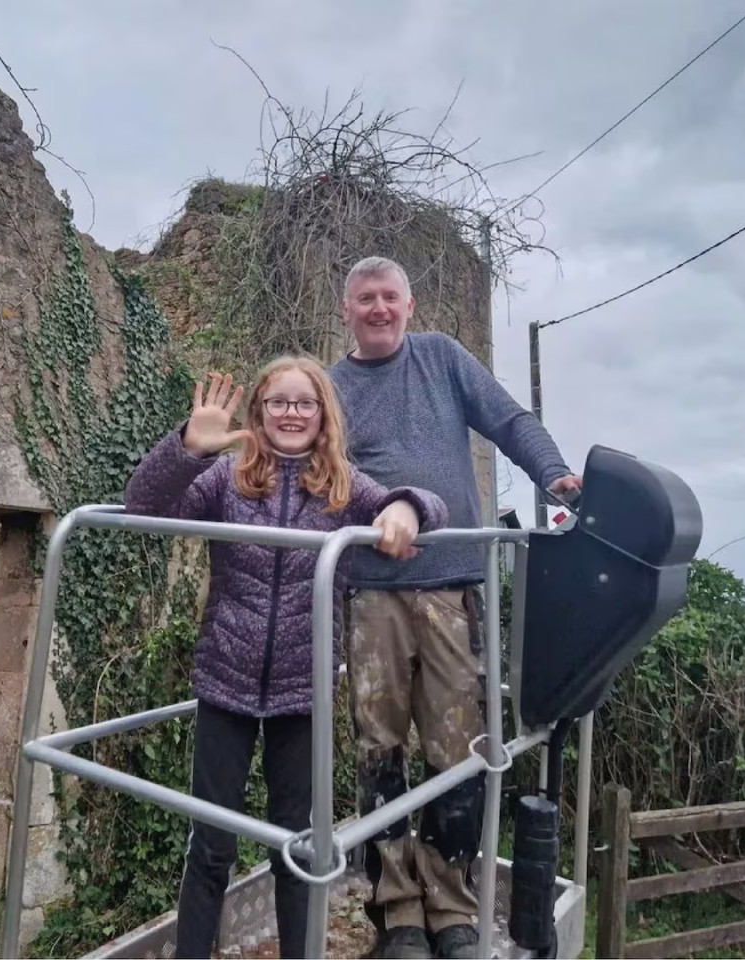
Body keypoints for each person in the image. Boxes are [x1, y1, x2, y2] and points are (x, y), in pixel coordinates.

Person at [125, 356, 449, 960]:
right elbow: (143, 504)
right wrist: (187, 448)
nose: (292, 413)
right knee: (211, 842)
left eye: (305, 403)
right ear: (259, 412)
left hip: (304, 690)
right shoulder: (225, 478)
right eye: (279, 402)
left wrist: (407, 508)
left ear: (323, 414)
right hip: (226, 681)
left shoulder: (343, 485)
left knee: (295, 846)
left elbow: (430, 503)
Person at [327, 257, 583, 960]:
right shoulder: (334, 386)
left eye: (390, 297)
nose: (379, 308)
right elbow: (325, 476)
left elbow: (506, 417)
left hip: (451, 589)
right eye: (365, 299)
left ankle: (452, 909)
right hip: (371, 593)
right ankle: (397, 912)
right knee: (379, 750)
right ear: (346, 309)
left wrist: (554, 474)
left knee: (455, 753)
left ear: (410, 306)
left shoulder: (441, 357)